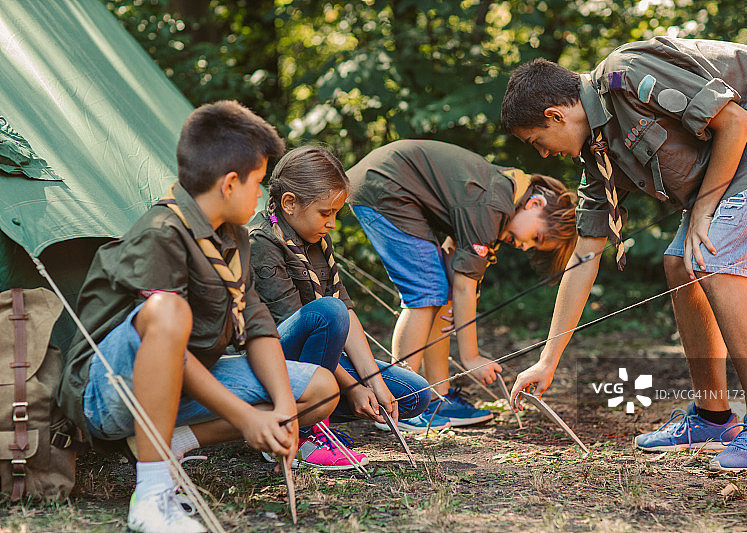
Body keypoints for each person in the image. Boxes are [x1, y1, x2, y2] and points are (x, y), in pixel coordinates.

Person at [502, 37, 747, 474]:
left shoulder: (625, 74)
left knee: (715, 261)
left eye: (537, 140)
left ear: (555, 115)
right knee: (678, 263)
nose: (543, 153)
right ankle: (713, 417)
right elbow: (585, 257)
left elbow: (734, 120)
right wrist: (548, 361)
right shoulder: (600, 158)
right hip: (741, 154)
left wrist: (703, 208)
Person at [57, 101, 339, 533]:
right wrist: (247, 419)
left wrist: (283, 409)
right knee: (168, 310)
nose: (262, 197)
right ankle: (151, 498)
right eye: (258, 183)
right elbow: (166, 340)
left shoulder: (236, 239)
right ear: (230, 184)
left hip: (186, 381)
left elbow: (259, 326)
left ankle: (168, 443)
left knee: (320, 390)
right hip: (110, 391)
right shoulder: (161, 234)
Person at [347, 139, 577, 429]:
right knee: (425, 293)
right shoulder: (494, 202)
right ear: (535, 204)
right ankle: (397, 402)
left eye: (534, 246)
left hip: (393, 187)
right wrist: (471, 357)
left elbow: (459, 277)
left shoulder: (505, 195)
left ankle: (435, 397)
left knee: (440, 292)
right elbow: (465, 286)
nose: (525, 246)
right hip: (384, 187)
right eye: (537, 237)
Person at [248, 145, 437, 466]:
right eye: (326, 213)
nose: (333, 223)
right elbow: (305, 326)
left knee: (413, 393)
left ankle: (318, 413)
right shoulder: (261, 244)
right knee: (327, 313)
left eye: (336, 213)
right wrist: (352, 387)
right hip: (271, 362)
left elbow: (345, 309)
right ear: (289, 203)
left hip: (317, 357)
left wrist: (373, 382)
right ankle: (302, 429)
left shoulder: (316, 238)